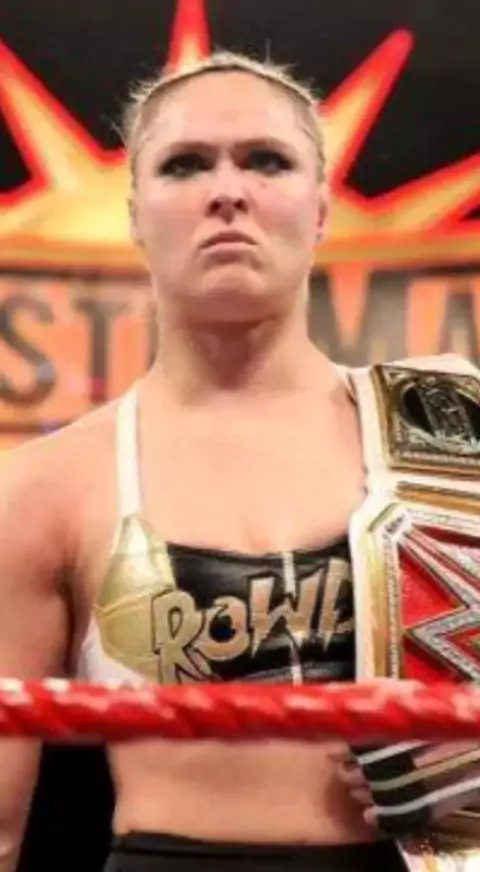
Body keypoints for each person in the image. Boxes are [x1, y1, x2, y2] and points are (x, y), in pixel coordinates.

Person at [1, 51, 479, 872]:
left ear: (320, 208)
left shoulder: (454, 424)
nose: (228, 191)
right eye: (186, 164)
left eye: (267, 160)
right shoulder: (47, 486)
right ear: (135, 214)